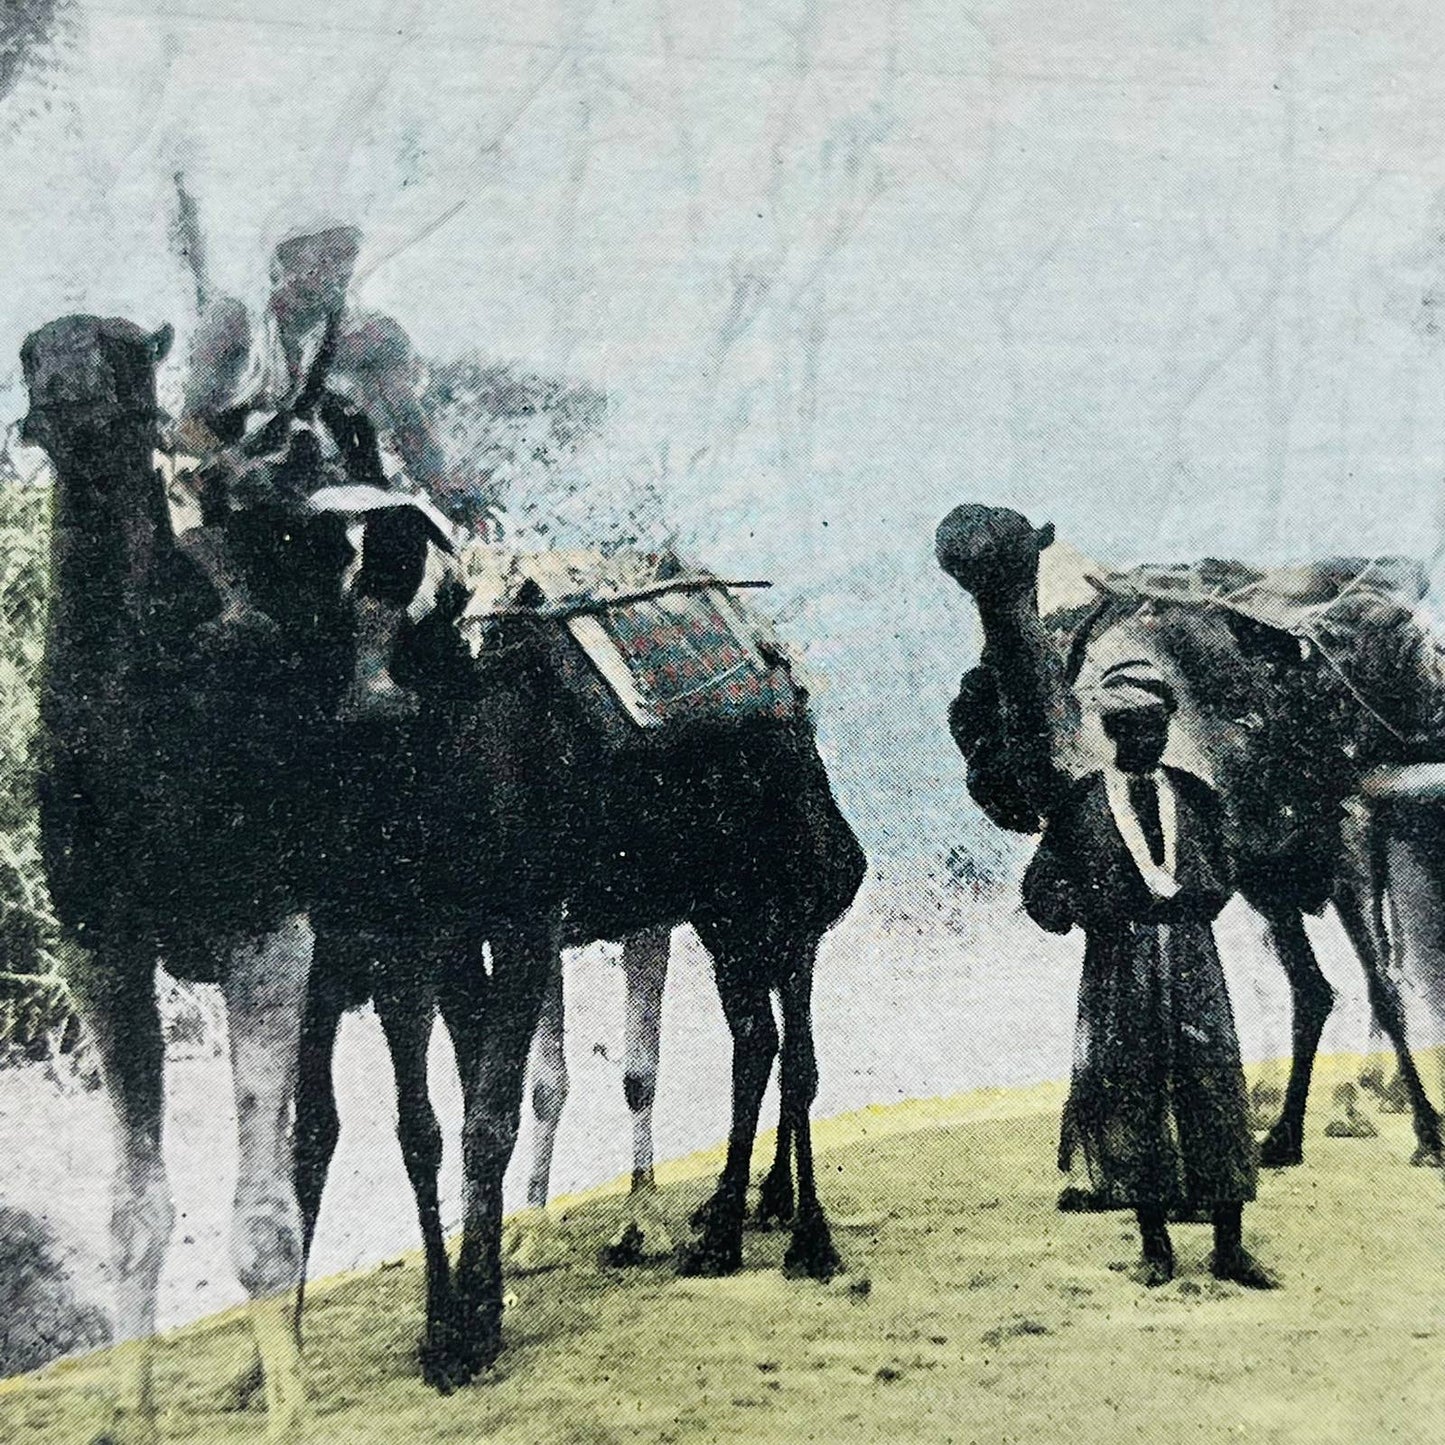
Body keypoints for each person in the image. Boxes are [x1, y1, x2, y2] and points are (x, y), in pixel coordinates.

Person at [1021, 663, 1277, 1289]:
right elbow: (1041, 889)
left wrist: (1198, 897)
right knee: (1132, 1096)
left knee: (1213, 1089)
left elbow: (1228, 858)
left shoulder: (1194, 795)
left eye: (1155, 729)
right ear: (1111, 730)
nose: (1145, 741)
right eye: (1131, 729)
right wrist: (1087, 911)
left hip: (1193, 961)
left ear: (1167, 729)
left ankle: (1229, 1246)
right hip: (1119, 967)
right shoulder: (1079, 806)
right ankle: (1154, 1245)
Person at [176, 221, 452, 723]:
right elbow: (189, 423)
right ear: (284, 260)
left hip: (312, 478)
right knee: (186, 493)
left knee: (401, 521)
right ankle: (236, 604)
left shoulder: (356, 336)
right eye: (322, 256)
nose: (336, 271)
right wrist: (238, 466)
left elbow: (408, 421)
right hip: (232, 471)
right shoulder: (235, 323)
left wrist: (448, 486)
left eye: (346, 257)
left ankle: (369, 678)